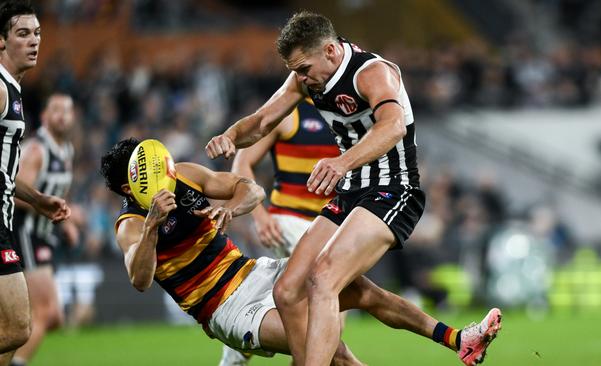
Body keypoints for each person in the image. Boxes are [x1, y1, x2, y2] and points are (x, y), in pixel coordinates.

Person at [205, 11, 502, 366]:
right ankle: (457, 339)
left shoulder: (373, 72)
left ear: (330, 51)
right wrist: (231, 136)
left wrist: (341, 163)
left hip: (394, 189)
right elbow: (263, 120)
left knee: (323, 279)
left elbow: (393, 127)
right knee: (287, 291)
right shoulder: (306, 79)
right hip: (351, 193)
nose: (299, 78)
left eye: (303, 68)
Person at [103, 138, 501, 364]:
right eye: (149, 174)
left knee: (365, 292)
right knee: (325, 350)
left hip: (254, 271)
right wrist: (154, 224)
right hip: (224, 308)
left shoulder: (184, 175)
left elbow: (250, 188)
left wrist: (233, 208)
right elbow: (139, 279)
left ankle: (459, 340)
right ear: (128, 188)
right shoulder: (131, 225)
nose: (161, 176)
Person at [221, 99, 339, 365]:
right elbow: (242, 163)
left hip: (330, 225)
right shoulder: (290, 112)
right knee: (324, 319)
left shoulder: (345, 110)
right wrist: (260, 217)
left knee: (315, 324)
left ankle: (238, 349)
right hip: (289, 220)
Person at [0, 3, 71, 365]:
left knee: (13, 329)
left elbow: (4, 172)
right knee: (16, 328)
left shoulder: (13, 91)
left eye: (37, 33)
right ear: (1, 41)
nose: (34, 41)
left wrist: (39, 198)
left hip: (6, 222)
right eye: (23, 33)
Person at [11, 94, 77, 366]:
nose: (62, 115)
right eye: (56, 110)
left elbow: (59, 192)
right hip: (26, 233)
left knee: (51, 316)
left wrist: (68, 222)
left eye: (67, 111)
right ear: (44, 117)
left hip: (44, 236)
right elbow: (14, 193)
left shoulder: (67, 150)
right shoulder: (38, 150)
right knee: (47, 312)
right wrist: (42, 206)